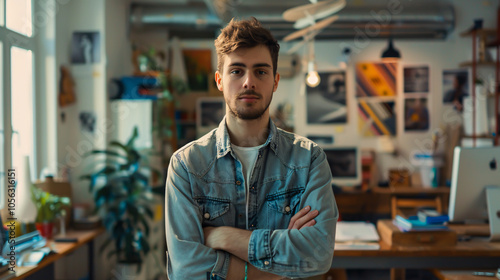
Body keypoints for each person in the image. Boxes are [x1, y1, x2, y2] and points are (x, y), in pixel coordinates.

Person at [165, 17, 338, 280]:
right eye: (236, 71)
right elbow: (186, 270)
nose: (249, 82)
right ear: (219, 80)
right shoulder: (187, 165)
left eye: (261, 71)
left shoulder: (308, 160)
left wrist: (223, 237)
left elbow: (317, 255)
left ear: (275, 81)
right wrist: (276, 273)